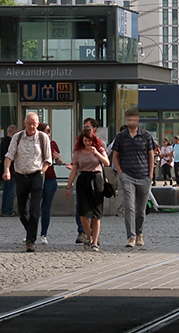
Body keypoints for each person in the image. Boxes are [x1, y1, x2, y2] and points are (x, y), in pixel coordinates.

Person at [2, 113, 53, 253]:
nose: (32, 126)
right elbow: (9, 156)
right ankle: (31, 230)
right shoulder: (17, 137)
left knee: (35, 210)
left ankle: (30, 241)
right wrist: (7, 170)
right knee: (22, 210)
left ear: (38, 124)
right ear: (25, 123)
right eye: (29, 123)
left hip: (37, 175)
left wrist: (42, 171)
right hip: (21, 176)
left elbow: (48, 159)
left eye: (34, 124)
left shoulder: (43, 138)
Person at [110, 108, 157, 248]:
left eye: (133, 119)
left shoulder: (146, 136)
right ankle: (130, 236)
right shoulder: (121, 136)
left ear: (138, 119)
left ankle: (139, 233)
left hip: (143, 176)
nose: (131, 122)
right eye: (129, 119)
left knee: (141, 210)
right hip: (127, 176)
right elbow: (115, 156)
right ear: (126, 120)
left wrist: (150, 175)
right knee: (129, 206)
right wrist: (120, 172)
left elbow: (151, 155)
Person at [67, 122, 110, 252]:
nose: (88, 143)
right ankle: (89, 236)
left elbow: (107, 163)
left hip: (96, 179)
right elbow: (74, 170)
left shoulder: (99, 148)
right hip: (83, 180)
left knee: (96, 213)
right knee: (83, 212)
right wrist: (68, 186)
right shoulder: (78, 153)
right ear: (82, 140)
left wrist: (96, 152)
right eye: (85, 141)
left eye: (90, 141)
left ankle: (95, 241)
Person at [38, 123, 62, 246]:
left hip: (50, 178)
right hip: (36, 177)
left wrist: (57, 157)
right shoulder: (35, 144)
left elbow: (59, 161)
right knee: (33, 207)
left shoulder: (53, 144)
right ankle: (30, 233)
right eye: (47, 130)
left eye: (50, 130)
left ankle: (44, 234)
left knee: (46, 207)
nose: (49, 133)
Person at [0, 124, 18, 216]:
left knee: (6, 191)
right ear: (14, 133)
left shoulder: (3, 141)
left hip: (5, 169)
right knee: (11, 191)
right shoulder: (11, 142)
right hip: (11, 170)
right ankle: (8, 210)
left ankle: (4, 209)